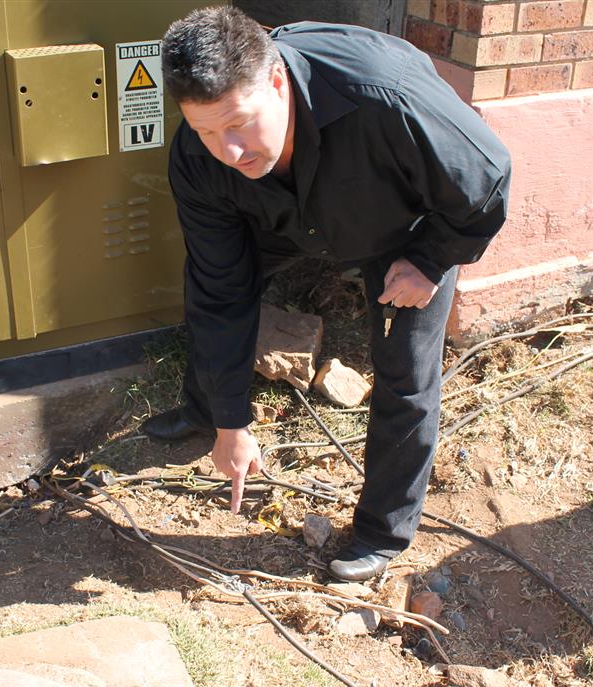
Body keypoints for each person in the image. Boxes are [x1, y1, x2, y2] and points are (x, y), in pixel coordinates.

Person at [145, 6, 511, 581]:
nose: (228, 151)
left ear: (276, 82)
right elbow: (220, 292)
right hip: (281, 213)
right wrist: (232, 423)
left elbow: (487, 182)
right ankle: (208, 415)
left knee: (405, 370)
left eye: (238, 123)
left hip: (400, 226)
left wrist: (431, 260)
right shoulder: (201, 159)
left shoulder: (385, 97)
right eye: (206, 130)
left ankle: (383, 532)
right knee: (214, 294)